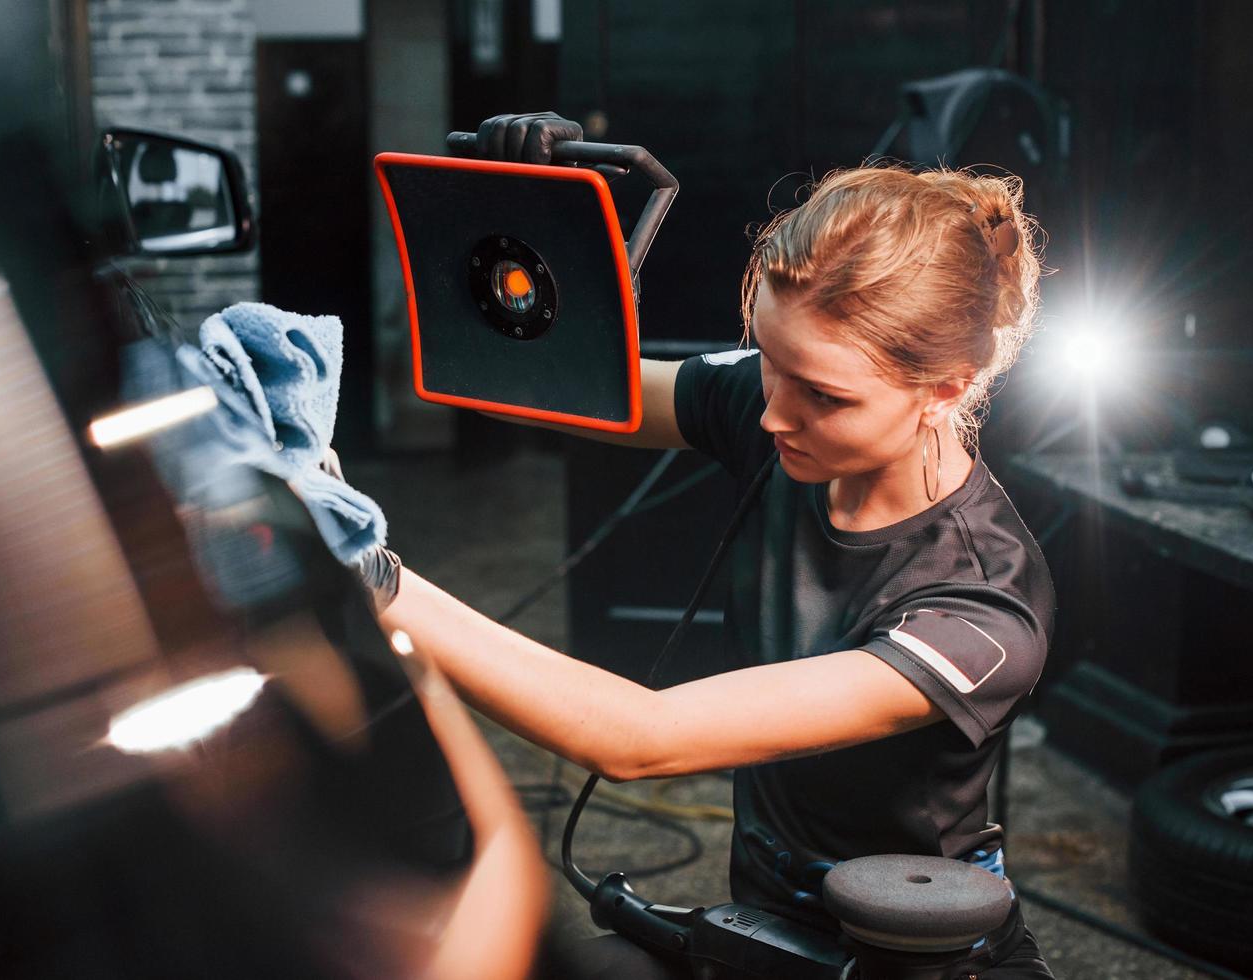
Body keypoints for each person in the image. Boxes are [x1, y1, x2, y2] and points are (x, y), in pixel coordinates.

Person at [341, 114, 1057, 978]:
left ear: (944, 390)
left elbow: (642, 739)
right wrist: (519, 223)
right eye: (767, 361)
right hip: (756, 934)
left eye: (823, 397)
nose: (770, 415)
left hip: (911, 964)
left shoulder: (979, 610)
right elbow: (533, 392)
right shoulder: (786, 412)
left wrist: (375, 576)